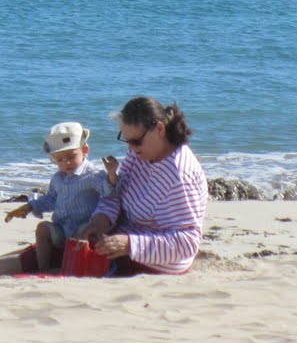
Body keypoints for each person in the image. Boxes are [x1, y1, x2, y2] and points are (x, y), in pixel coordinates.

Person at [0, 121, 116, 275]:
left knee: (29, 256)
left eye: (71, 157)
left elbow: (109, 190)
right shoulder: (58, 178)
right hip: (61, 229)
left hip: (81, 231)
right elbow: (51, 199)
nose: (66, 163)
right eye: (60, 159)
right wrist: (30, 207)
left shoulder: (92, 175)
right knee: (41, 230)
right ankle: (42, 268)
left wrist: (112, 174)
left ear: (85, 151)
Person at [81, 96, 207, 275]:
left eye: (136, 141)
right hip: (125, 236)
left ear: (160, 129)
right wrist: (102, 219)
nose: (131, 148)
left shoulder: (179, 177)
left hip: (157, 261)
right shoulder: (141, 154)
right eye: (127, 141)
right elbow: (116, 192)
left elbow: (187, 243)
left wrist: (129, 244)